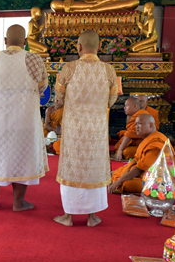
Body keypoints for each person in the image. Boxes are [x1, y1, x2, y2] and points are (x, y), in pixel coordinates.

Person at [53, 30, 118, 227]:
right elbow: (112, 100)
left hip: (74, 128)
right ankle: (92, 217)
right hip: (97, 129)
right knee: (94, 168)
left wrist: (59, 107)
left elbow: (58, 99)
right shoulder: (108, 70)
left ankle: (69, 217)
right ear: (99, 47)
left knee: (72, 168)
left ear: (78, 47)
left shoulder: (69, 68)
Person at [0, 25, 49, 211]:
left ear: (5, 41)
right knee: (23, 155)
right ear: (25, 42)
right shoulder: (33, 58)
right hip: (24, 117)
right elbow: (43, 87)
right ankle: (18, 203)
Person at [109, 114, 168, 193]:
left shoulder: (156, 142)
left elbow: (140, 168)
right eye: (136, 124)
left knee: (125, 184)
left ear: (151, 125)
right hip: (146, 173)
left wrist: (119, 180)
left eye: (140, 123)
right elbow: (138, 162)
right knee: (120, 173)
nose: (136, 126)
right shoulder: (149, 138)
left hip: (158, 178)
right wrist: (121, 171)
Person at [114, 96, 147, 161]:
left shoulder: (140, 115)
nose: (124, 108)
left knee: (125, 153)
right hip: (138, 141)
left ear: (135, 106)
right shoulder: (136, 114)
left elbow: (129, 134)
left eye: (127, 106)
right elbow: (130, 132)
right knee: (119, 141)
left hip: (145, 143)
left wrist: (120, 150)